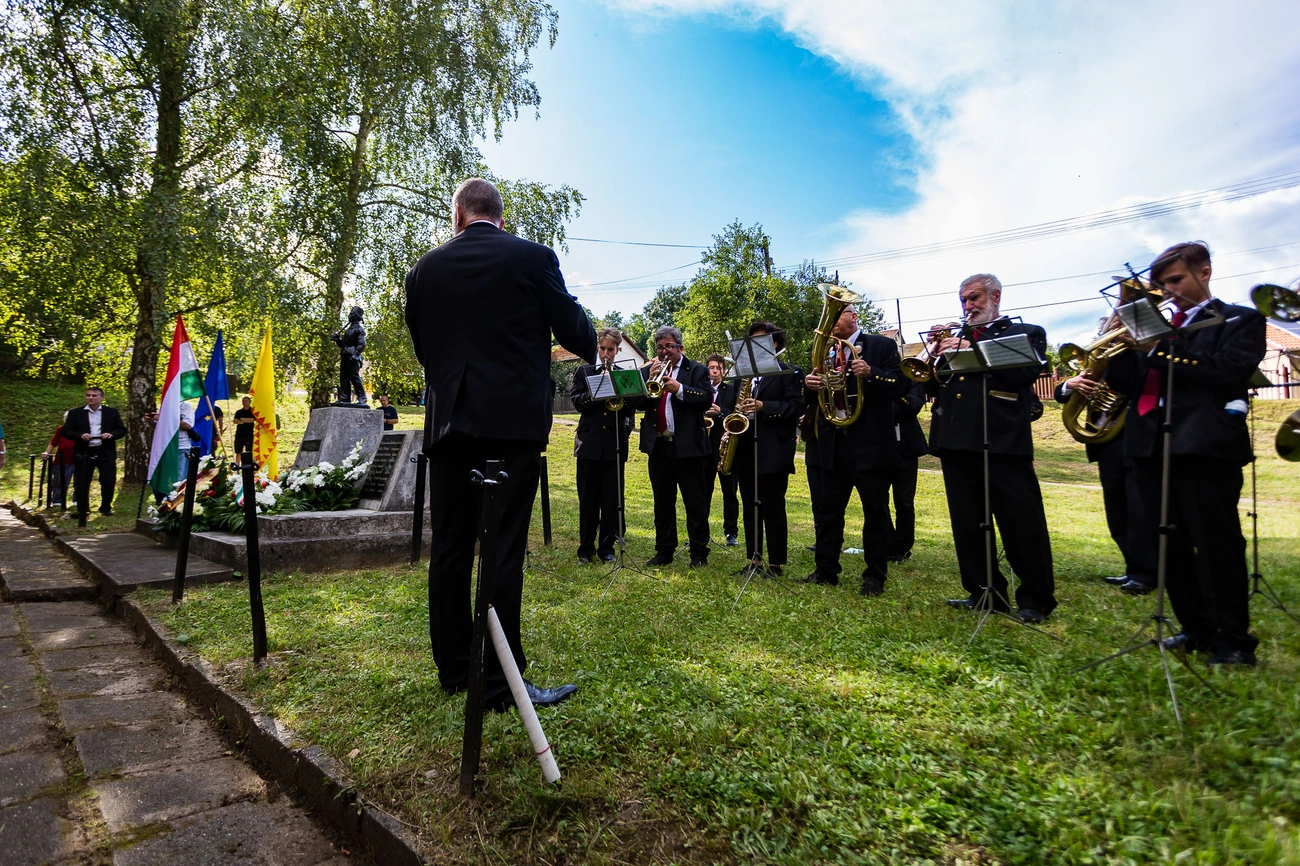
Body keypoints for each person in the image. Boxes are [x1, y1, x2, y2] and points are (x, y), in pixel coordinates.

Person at [405, 177, 596, 711]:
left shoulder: (424, 268)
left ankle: (453, 671)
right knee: (503, 550)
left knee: (449, 549)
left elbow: (426, 352)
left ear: (458, 215)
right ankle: (498, 681)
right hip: (510, 430)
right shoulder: (534, 258)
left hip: (449, 429)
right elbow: (579, 334)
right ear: (500, 217)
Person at [1107, 241, 1265, 666]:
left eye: (1175, 280)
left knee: (1216, 545)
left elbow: (1225, 371)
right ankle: (1195, 628)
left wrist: (1159, 348)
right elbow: (1127, 383)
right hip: (1149, 444)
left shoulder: (1239, 318)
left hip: (1203, 445)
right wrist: (1118, 343)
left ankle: (1233, 640)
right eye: (1162, 284)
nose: (1169, 290)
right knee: (1167, 545)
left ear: (1205, 271)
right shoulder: (1157, 326)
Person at [927, 274, 1056, 622]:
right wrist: (933, 352)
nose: (968, 306)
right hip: (956, 440)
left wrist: (972, 349)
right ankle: (984, 591)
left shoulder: (1024, 333)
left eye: (974, 298)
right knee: (968, 523)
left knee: (1021, 522)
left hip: (1002, 440)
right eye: (964, 300)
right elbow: (929, 383)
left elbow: (1024, 373)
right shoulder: (957, 338)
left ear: (995, 296)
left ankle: (1035, 599)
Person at [804, 303, 907, 595]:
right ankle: (826, 569)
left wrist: (871, 372)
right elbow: (813, 401)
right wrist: (809, 385)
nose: (831, 321)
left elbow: (901, 385)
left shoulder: (881, 345)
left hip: (870, 445)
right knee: (828, 511)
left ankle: (874, 575)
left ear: (853, 317)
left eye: (838, 314)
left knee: (875, 512)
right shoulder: (824, 351)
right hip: (834, 444)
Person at [1054, 372, 1156, 594]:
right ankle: (1133, 568)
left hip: (1137, 438)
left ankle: (1145, 574)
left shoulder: (1138, 357)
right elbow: (1060, 396)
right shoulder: (1099, 366)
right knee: (1116, 509)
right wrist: (1070, 384)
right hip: (1107, 442)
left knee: (1138, 510)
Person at [634, 325, 713, 568]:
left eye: (668, 346)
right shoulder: (649, 370)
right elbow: (636, 402)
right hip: (659, 447)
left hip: (689, 448)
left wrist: (679, 389)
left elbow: (706, 399)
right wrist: (648, 380)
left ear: (680, 347)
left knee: (694, 502)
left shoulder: (697, 369)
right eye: (660, 347)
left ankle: (699, 553)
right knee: (663, 502)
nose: (664, 352)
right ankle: (664, 551)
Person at [729, 322, 804, 575]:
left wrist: (765, 407)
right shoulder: (743, 375)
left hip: (774, 451)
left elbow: (796, 407)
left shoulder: (790, 372)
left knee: (773, 507)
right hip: (746, 449)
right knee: (750, 508)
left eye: (761, 341)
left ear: (775, 343)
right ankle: (754, 560)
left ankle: (776, 563)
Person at [570, 328, 633, 564]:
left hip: (614, 444)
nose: (606, 354)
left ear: (617, 351)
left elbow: (631, 407)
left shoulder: (624, 375)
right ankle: (584, 549)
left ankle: (606, 548)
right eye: (603, 349)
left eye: (611, 350)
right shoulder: (583, 371)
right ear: (598, 348)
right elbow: (578, 402)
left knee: (611, 501)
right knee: (588, 500)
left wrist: (620, 391)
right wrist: (599, 391)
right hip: (588, 444)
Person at [64, 387, 128, 522]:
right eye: (88, 395)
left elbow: (121, 430)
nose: (90, 398)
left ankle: (106, 507)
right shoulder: (76, 413)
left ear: (101, 398)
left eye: (94, 395)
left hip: (105, 451)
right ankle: (83, 508)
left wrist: (111, 435)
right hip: (84, 451)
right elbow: (67, 431)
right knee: (82, 481)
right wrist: (80, 435)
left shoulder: (111, 412)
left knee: (108, 480)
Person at [886, 381, 928, 563]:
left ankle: (903, 547)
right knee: (877, 499)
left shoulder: (910, 379)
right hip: (879, 447)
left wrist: (888, 404)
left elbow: (913, 405)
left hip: (906, 449)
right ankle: (888, 542)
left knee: (904, 501)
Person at [703, 352, 740, 546]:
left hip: (726, 449)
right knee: (703, 492)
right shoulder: (700, 389)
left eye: (717, 368)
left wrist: (721, 412)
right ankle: (701, 532)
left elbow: (737, 414)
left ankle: (731, 532)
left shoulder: (732, 390)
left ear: (723, 372)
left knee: (730, 493)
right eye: (710, 368)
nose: (713, 372)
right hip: (705, 448)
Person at [41, 413, 77, 511]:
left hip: (78, 459)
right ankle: (57, 501)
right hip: (62, 460)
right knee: (59, 480)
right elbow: (53, 442)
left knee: (79, 482)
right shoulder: (61, 430)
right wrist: (47, 452)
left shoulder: (82, 429)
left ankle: (77, 502)